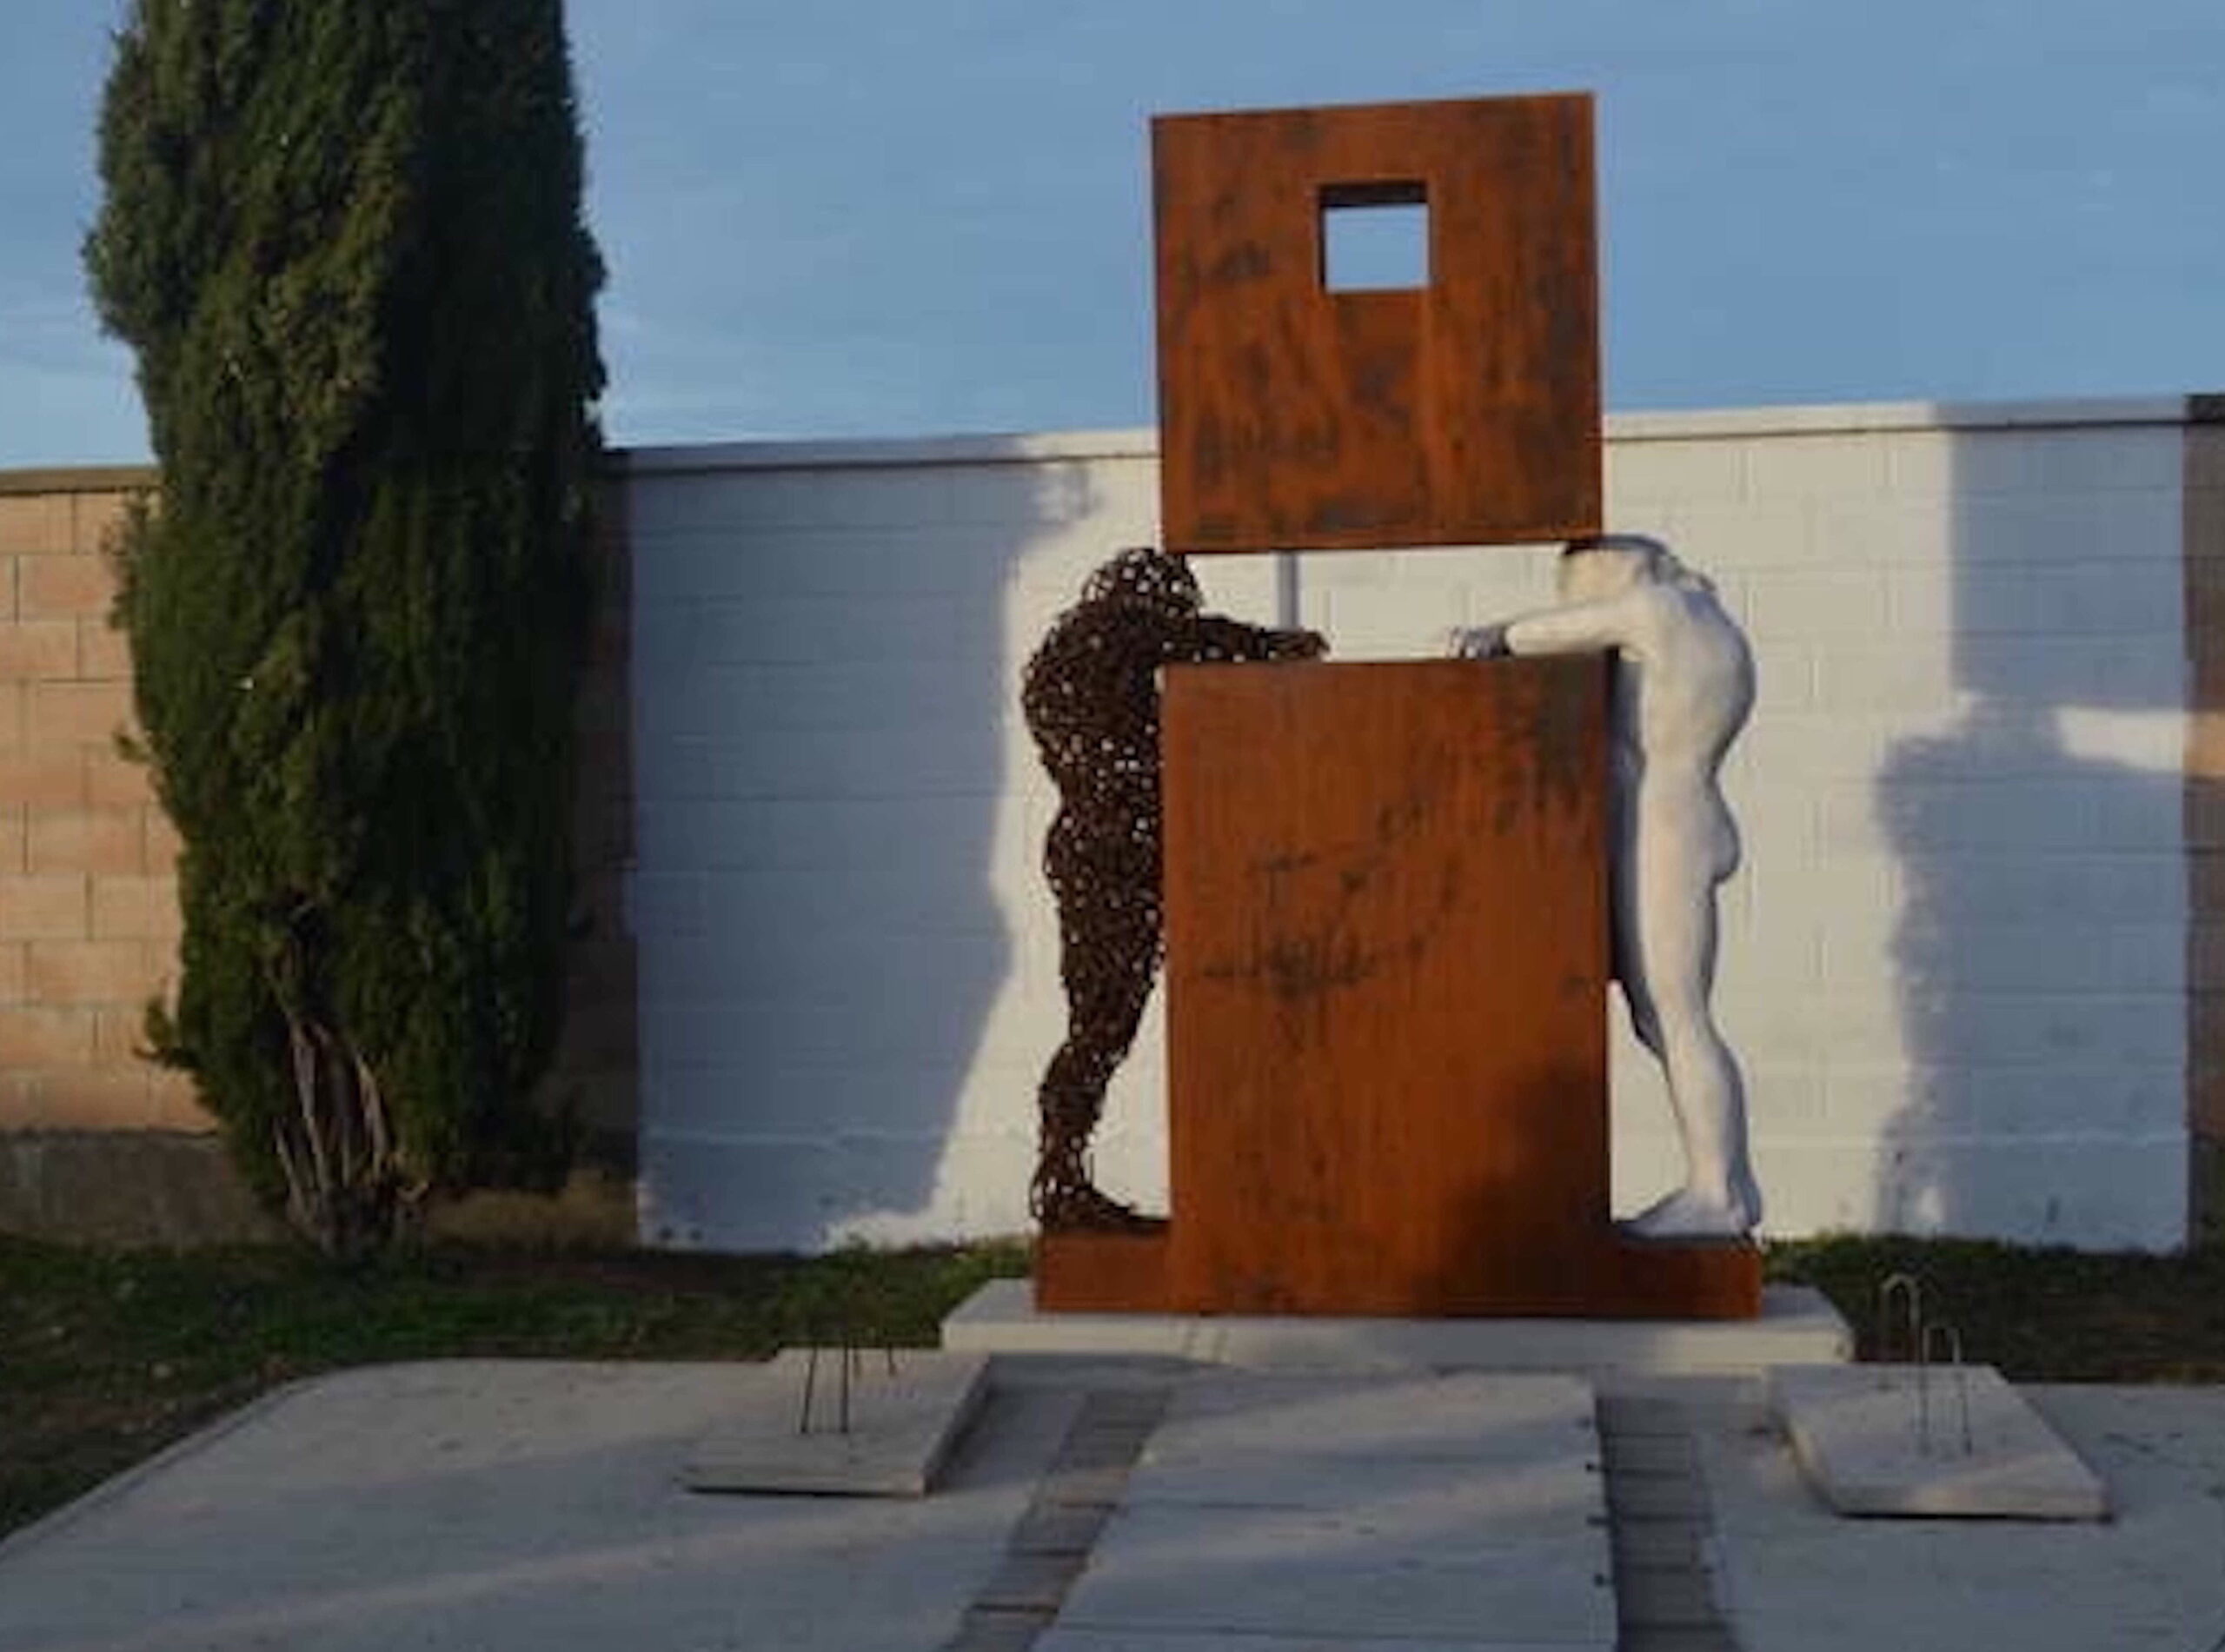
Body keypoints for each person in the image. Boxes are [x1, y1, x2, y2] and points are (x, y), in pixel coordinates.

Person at [1452, 533, 1762, 1237]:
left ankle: (1720, 1192)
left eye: (1583, 575)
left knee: (1677, 1017)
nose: (1578, 591)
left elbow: (1555, 632)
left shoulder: (1664, 610)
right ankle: (1724, 1180)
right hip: (1679, 811)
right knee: (1666, 1018)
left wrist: (1492, 633)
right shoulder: (1705, 622)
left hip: (1667, 818)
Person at [1023, 547, 1326, 1230]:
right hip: (1121, 857)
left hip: (1096, 851)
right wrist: (1281, 644)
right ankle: (1063, 1181)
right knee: (1104, 1024)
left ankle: (1064, 1176)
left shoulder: (1060, 659)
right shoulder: (1108, 634)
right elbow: (1195, 641)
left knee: (1099, 1024)